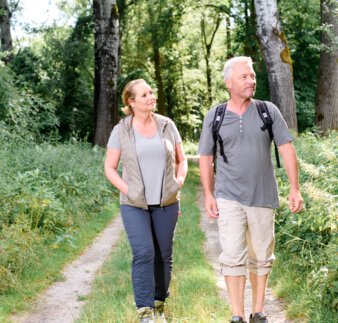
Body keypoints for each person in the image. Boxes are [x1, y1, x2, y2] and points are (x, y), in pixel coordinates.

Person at [198, 57, 303, 323]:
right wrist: (209, 194)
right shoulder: (215, 116)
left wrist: (294, 189)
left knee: (261, 257)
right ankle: (236, 315)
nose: (251, 80)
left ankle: (257, 312)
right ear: (229, 82)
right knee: (232, 255)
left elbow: (287, 149)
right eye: (244, 76)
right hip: (228, 196)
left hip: (263, 196)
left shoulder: (268, 111)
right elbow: (206, 157)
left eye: (252, 76)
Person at [105, 78, 188, 323]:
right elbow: (110, 168)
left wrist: (179, 182)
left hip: (167, 203)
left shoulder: (167, 125)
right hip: (134, 205)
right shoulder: (121, 130)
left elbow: (181, 160)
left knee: (164, 254)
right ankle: (145, 311)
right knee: (143, 252)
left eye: (151, 92)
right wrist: (127, 189)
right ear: (131, 102)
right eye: (144, 95)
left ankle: (159, 304)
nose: (151, 96)